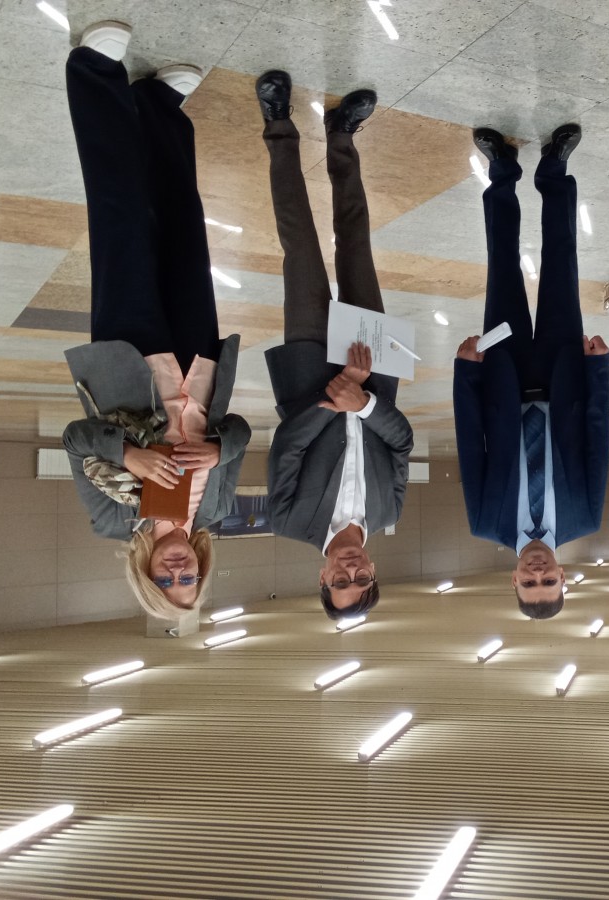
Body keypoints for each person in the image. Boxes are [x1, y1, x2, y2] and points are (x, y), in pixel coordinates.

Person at [61, 22, 251, 621]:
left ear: (144, 575)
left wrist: (129, 456)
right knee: (184, 231)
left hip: (130, 362)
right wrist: (218, 451)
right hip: (197, 367)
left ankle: (94, 74)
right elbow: (240, 433)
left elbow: (75, 440)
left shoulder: (113, 521)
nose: (177, 571)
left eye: (164, 581)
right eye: (188, 580)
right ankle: (159, 106)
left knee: (120, 220)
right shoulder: (215, 511)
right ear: (201, 569)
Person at [256, 71, 412, 620]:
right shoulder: (389, 511)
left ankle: (278, 126)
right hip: (374, 366)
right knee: (356, 246)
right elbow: (401, 443)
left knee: (299, 245)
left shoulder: (288, 521)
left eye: (341, 581)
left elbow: (287, 448)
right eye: (361, 579)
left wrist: (337, 396)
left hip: (308, 370)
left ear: (322, 578)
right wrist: (364, 402)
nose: (351, 570)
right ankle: (341, 134)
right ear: (373, 571)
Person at [454, 124, 609, 620]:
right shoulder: (585, 518)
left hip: (503, 376)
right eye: (548, 581)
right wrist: (599, 369)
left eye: (529, 582)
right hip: (565, 376)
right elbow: (596, 439)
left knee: (501, 267)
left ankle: (502, 169)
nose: (537, 572)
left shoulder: (486, 522)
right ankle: (554, 169)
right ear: (564, 577)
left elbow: (469, 444)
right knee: (562, 266)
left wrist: (466, 374)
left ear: (514, 579)